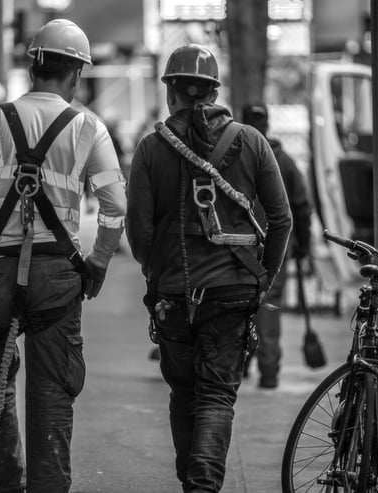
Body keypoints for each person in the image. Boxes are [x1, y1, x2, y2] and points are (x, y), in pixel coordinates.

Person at [0, 18, 126, 493]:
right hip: (57, 278)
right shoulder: (88, 127)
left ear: (31, 69)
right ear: (77, 74)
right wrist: (100, 260)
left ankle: (7, 485)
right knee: (50, 394)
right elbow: (115, 208)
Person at [126, 44, 292, 492]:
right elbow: (282, 219)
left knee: (184, 395)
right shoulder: (252, 141)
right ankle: (204, 486)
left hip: (175, 295)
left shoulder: (150, 149)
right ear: (214, 91)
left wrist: (155, 272)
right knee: (217, 395)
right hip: (234, 292)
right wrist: (265, 277)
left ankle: (193, 484)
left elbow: (138, 232)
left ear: (171, 92)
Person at [241, 104, 313, 389]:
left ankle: (241, 364)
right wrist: (303, 245)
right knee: (268, 307)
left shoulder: (235, 156)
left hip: (239, 246)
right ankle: (269, 373)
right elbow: (302, 207)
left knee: (238, 302)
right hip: (275, 247)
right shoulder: (283, 161)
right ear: (268, 124)